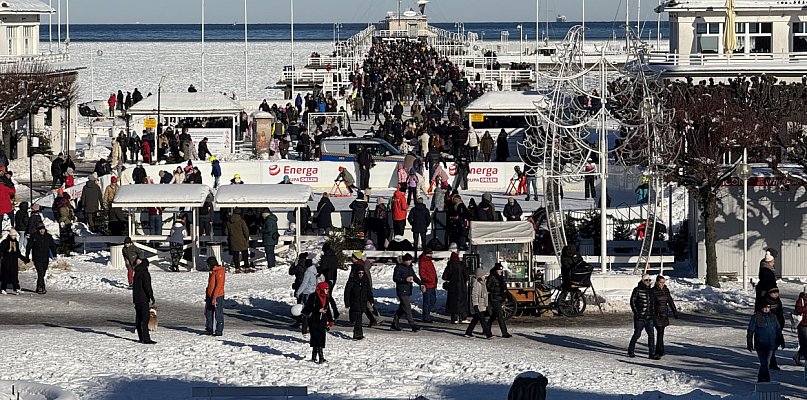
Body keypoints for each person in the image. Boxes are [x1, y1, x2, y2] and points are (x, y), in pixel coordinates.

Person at [747, 300, 781, 382]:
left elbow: (778, 329)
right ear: (761, 308)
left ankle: (762, 378)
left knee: (766, 362)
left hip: (771, 345)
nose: (766, 309)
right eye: (765, 307)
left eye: (768, 307)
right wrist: (749, 342)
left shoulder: (773, 317)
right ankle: (766, 379)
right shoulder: (756, 317)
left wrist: (781, 340)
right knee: (764, 363)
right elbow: (751, 331)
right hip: (761, 344)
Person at [302, 282, 335, 364]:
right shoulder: (313, 296)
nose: (327, 290)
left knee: (320, 338)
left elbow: (328, 310)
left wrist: (330, 320)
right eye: (326, 288)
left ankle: (316, 357)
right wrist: (318, 310)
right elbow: (307, 309)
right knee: (316, 338)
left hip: (322, 320)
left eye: (328, 289)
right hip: (314, 320)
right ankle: (320, 357)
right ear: (321, 289)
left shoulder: (326, 297)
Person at [628, 274, 659, 359]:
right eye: (646, 280)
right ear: (642, 281)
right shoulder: (637, 290)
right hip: (640, 317)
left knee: (651, 335)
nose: (648, 282)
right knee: (637, 334)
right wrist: (636, 313)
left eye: (649, 280)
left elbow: (653, 303)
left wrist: (653, 313)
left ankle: (651, 353)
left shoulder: (651, 291)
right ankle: (631, 350)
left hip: (649, 317)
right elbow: (632, 302)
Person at [391, 253, 423, 332]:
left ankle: (394, 323)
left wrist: (421, 284)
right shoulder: (399, 267)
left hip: (408, 290)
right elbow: (395, 278)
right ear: (404, 261)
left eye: (410, 260)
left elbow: (414, 277)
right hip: (402, 291)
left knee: (402, 308)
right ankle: (412, 324)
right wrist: (405, 279)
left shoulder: (410, 267)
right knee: (407, 307)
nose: (409, 262)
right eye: (408, 260)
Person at [344, 263, 375, 340]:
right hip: (355, 302)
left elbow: (368, 291)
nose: (361, 274)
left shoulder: (365, 280)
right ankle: (358, 335)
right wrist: (347, 302)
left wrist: (371, 299)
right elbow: (347, 292)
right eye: (359, 273)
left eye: (362, 273)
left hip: (362, 302)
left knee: (359, 318)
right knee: (358, 319)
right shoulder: (352, 281)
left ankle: (357, 332)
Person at [652, 275, 678, 357]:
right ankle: (658, 351)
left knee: (661, 333)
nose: (662, 284)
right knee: (659, 332)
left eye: (663, 282)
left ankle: (660, 350)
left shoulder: (666, 290)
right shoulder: (653, 291)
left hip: (664, 315)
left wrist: (674, 311)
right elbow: (651, 304)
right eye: (660, 282)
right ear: (657, 282)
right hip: (657, 315)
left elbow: (670, 301)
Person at [26, 224, 56, 294]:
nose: (41, 231)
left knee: (43, 274)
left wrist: (54, 255)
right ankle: (41, 287)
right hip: (37, 258)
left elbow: (52, 246)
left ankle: (38, 286)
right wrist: (27, 256)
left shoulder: (48, 236)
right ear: (38, 230)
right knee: (40, 272)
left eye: (43, 229)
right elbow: (28, 247)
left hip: (45, 258)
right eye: (40, 229)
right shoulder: (34, 236)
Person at [132, 257, 156, 344]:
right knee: (145, 319)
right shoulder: (145, 273)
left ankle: (141, 337)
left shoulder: (136, 272)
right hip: (143, 299)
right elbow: (147, 286)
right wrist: (151, 296)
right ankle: (146, 338)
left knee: (138, 319)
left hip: (136, 299)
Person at [443, 247, 470, 324]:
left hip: (452, 288)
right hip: (462, 287)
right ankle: (463, 317)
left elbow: (444, 277)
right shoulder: (462, 266)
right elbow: (466, 276)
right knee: (462, 302)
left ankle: (454, 318)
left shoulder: (449, 266)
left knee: (453, 303)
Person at [761, 287, 786, 371]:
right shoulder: (765, 301)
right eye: (774, 293)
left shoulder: (778, 300)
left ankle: (770, 360)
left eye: (777, 293)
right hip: (769, 325)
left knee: (776, 343)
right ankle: (771, 363)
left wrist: (781, 322)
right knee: (771, 345)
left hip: (778, 324)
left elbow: (780, 312)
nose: (775, 294)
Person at [465, 267, 493, 339]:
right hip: (479, 305)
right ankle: (488, 334)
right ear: (480, 276)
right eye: (483, 275)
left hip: (482, 304)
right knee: (482, 320)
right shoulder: (477, 284)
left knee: (475, 319)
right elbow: (474, 295)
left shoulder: (483, 283)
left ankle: (468, 332)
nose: (485, 276)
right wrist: (475, 305)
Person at [486, 263, 511, 338]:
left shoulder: (502, 278)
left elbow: (504, 288)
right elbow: (488, 286)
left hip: (500, 298)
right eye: (499, 269)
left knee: (494, 316)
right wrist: (494, 290)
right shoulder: (492, 277)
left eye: (501, 269)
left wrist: (507, 296)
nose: (501, 271)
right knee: (500, 316)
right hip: (494, 298)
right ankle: (504, 332)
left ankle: (486, 328)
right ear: (496, 270)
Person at [0, 229, 27, 295]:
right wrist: (5, 253)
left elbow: (18, 253)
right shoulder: (4, 242)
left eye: (15, 235)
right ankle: (3, 288)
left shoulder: (16, 243)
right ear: (10, 235)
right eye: (12, 235)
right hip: (6, 262)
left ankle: (17, 288)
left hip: (13, 262)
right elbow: (1, 251)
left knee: (14, 276)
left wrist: (24, 258)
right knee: (5, 275)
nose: (14, 237)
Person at [204, 256, 226, 336]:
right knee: (208, 313)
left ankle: (218, 331)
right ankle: (209, 329)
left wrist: (214, 297)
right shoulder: (212, 272)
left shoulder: (219, 271)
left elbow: (219, 285)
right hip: (210, 296)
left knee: (218, 314)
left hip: (218, 296)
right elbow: (210, 285)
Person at [418, 249, 437, 323]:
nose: (431, 255)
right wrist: (430, 280)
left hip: (432, 284)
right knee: (427, 301)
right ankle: (426, 317)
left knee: (432, 301)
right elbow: (422, 274)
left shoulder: (428, 261)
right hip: (427, 284)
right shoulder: (423, 261)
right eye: (430, 254)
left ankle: (427, 315)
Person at [794, 289, 807, 366]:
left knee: (805, 343)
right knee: (805, 342)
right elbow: (798, 310)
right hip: (803, 324)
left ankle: (798, 356)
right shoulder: (801, 300)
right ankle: (801, 357)